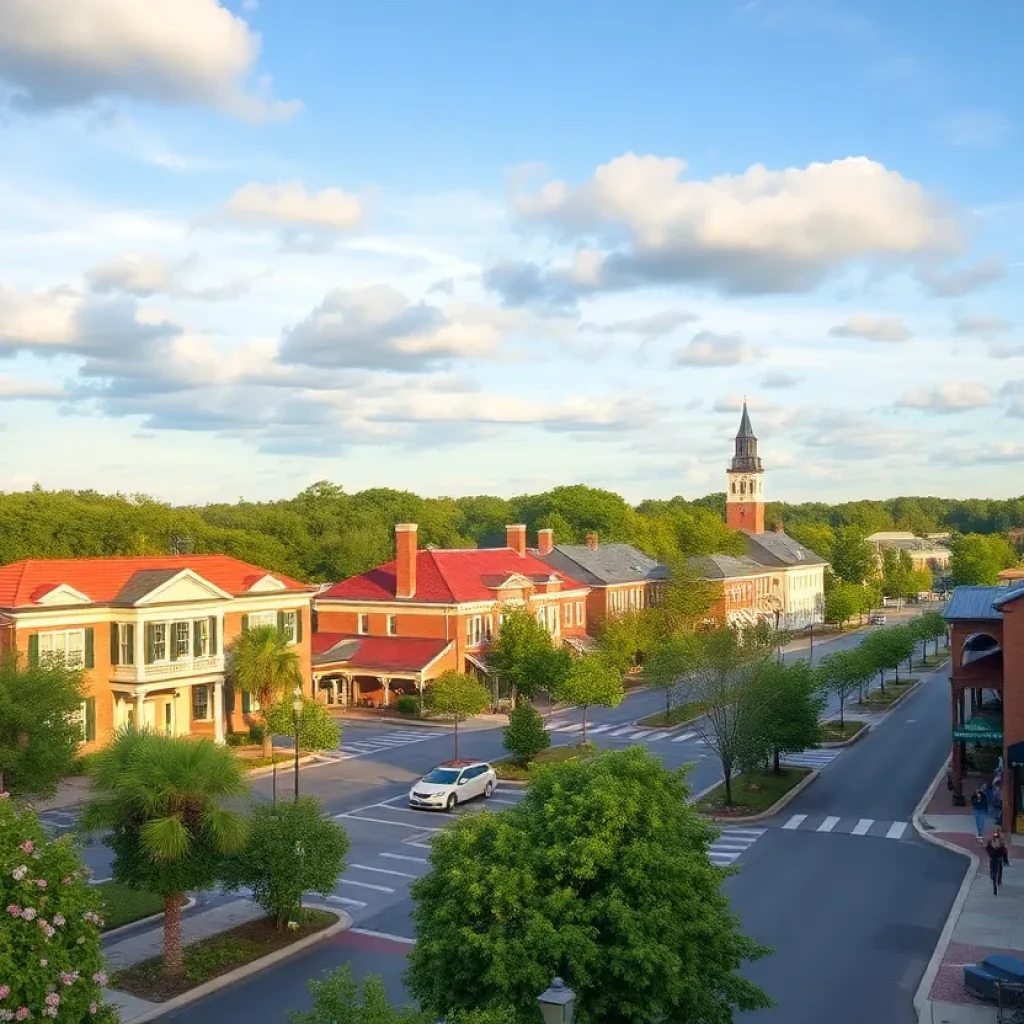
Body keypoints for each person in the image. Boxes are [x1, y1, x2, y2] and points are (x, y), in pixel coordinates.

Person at [986, 831, 1010, 895]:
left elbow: (1005, 851)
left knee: (999, 869)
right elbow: (987, 849)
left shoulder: (1002, 843)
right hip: (993, 859)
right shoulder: (990, 842)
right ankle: (994, 877)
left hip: (998, 859)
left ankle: (999, 880)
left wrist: (1005, 859)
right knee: (992, 871)